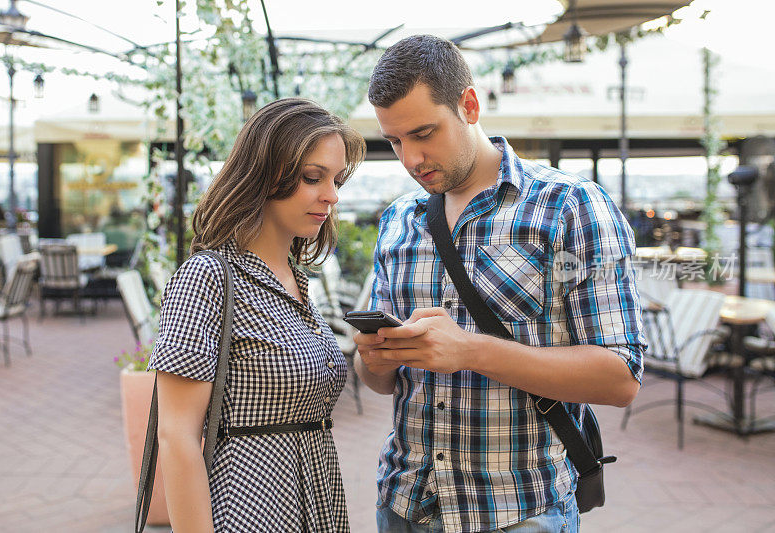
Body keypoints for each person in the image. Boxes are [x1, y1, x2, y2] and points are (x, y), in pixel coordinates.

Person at [354, 35, 646, 532]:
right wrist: (375, 359)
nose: (411, 158)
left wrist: (469, 351)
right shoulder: (398, 220)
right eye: (396, 141)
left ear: (469, 104)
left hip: (518, 510)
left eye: (425, 133)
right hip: (404, 502)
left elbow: (620, 379)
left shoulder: (572, 206)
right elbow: (382, 384)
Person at [148, 98, 365, 532]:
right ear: (265, 174)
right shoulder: (208, 277)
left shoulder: (296, 279)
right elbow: (176, 436)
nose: (331, 195)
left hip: (318, 505)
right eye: (312, 177)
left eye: (335, 179)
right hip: (250, 507)